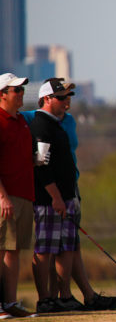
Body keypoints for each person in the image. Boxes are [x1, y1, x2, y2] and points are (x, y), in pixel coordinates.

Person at [23, 79, 116, 313]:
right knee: (46, 249)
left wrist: (68, 196)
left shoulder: (58, 124)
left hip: (68, 197)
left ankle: (66, 295)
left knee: (67, 247)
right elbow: (41, 166)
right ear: (47, 99)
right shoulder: (41, 126)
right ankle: (46, 299)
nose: (67, 102)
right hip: (50, 200)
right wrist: (56, 197)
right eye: (61, 98)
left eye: (68, 97)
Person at [0, 73, 38, 318]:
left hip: (24, 194)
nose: (21, 93)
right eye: (16, 90)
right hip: (5, 197)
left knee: (14, 251)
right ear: (2, 94)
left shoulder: (22, 121)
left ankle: (10, 303)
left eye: (22, 89)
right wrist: (2, 197)